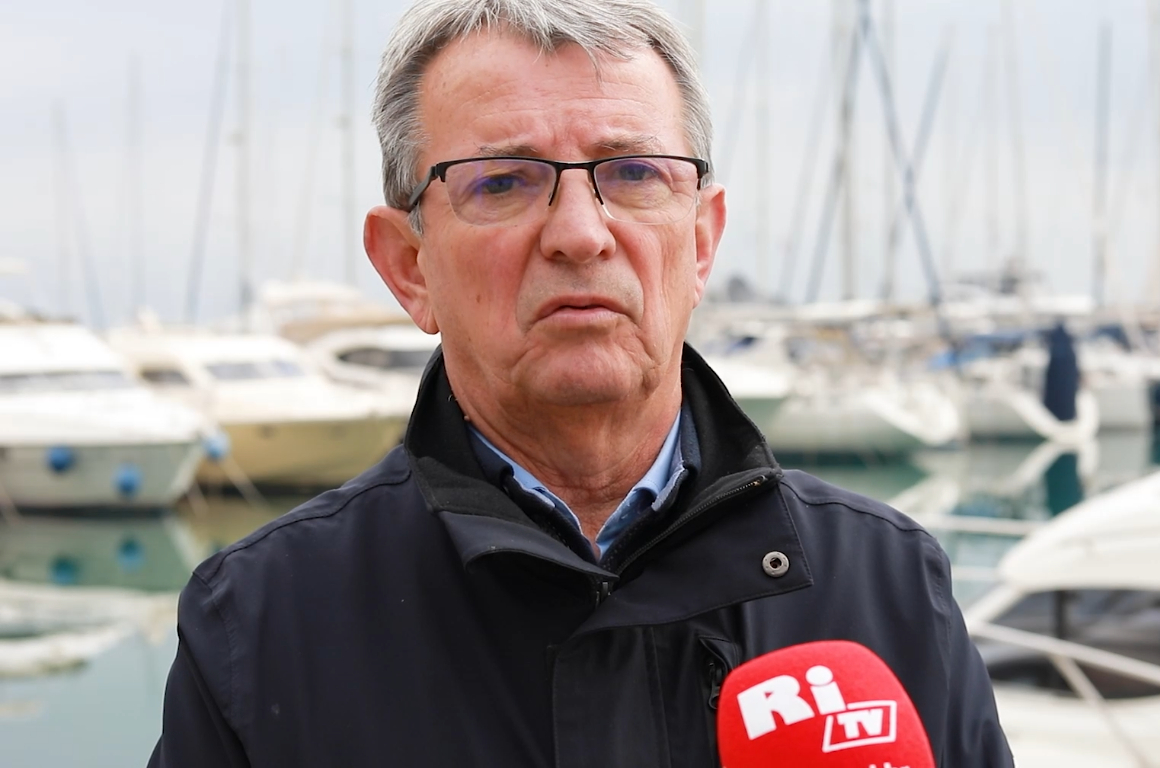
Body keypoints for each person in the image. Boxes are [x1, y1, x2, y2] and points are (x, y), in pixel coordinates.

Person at [148, 0, 1013, 765]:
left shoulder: (888, 587)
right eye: (502, 182)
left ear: (701, 242)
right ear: (409, 266)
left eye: (633, 173)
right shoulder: (261, 626)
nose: (579, 234)